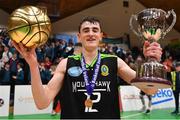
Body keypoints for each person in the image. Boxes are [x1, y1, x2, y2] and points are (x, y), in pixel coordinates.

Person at [12, 16, 162, 119]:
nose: (91, 34)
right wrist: (32, 65)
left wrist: (153, 61)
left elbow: (150, 89)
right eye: (86, 30)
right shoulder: (66, 63)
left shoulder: (114, 61)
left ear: (101, 36)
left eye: (95, 30)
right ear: (78, 36)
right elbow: (41, 103)